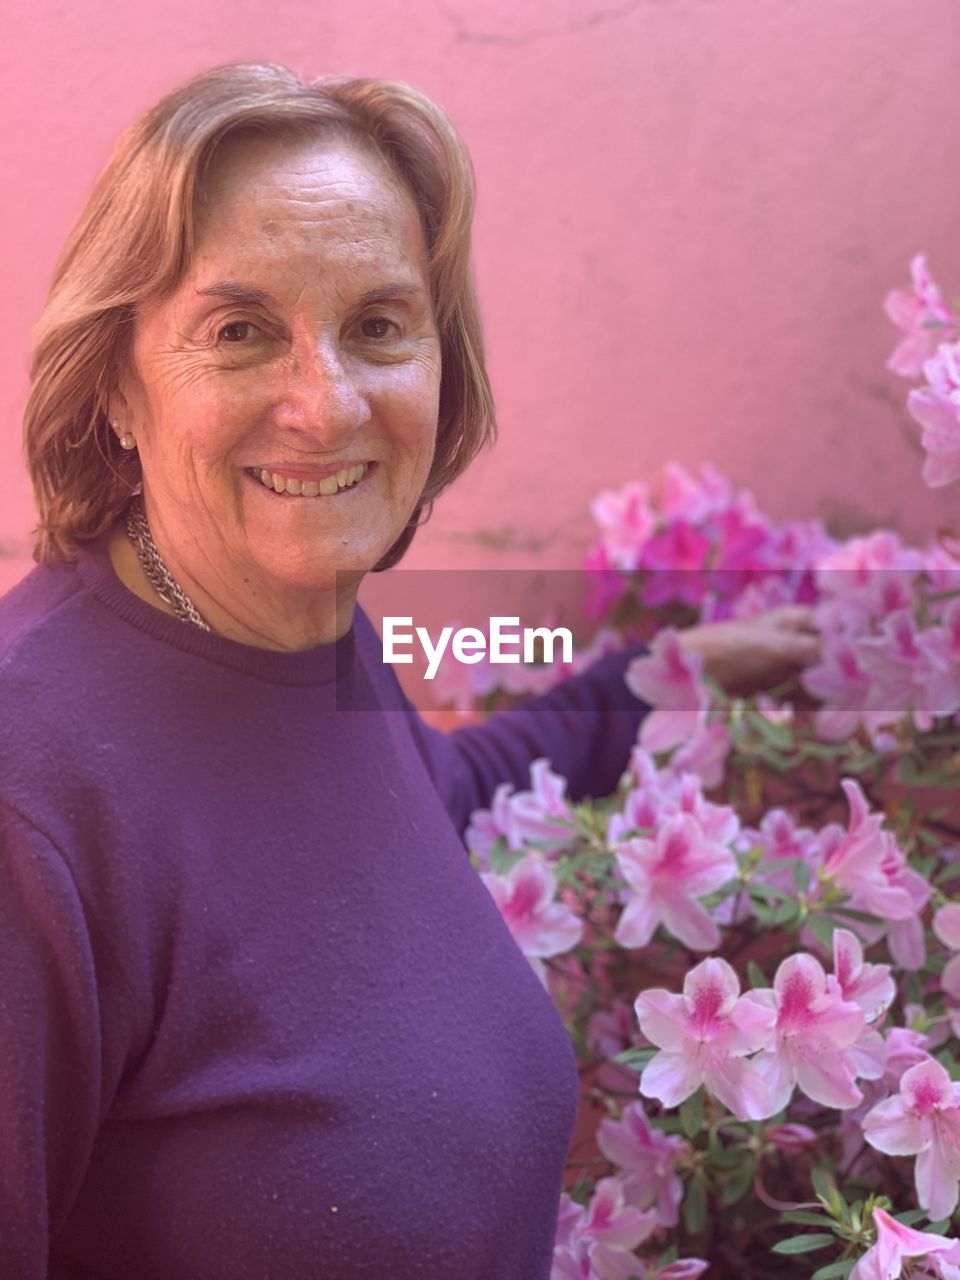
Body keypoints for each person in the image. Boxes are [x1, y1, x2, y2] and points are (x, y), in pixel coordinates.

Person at [0, 61, 819, 1279]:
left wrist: (659, 675)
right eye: (240, 330)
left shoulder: (307, 632)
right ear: (118, 378)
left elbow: (419, 801)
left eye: (378, 324)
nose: (324, 404)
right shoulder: (35, 793)